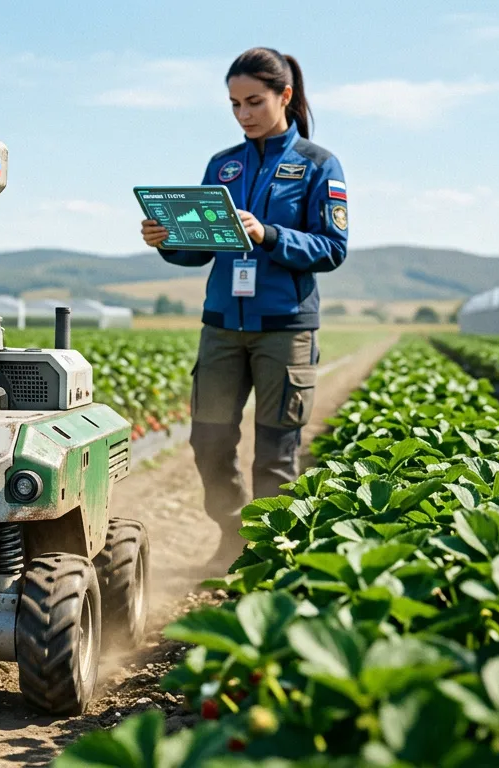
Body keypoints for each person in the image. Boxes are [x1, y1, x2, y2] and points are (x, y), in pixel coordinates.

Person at [140, 47, 348, 568]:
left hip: (286, 329)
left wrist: (269, 234)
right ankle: (233, 534)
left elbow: (332, 248)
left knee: (276, 455)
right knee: (208, 443)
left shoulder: (318, 164)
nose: (244, 114)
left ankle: (267, 554)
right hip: (221, 327)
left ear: (285, 95)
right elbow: (199, 247)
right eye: (235, 104)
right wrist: (167, 240)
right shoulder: (223, 165)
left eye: (254, 101)